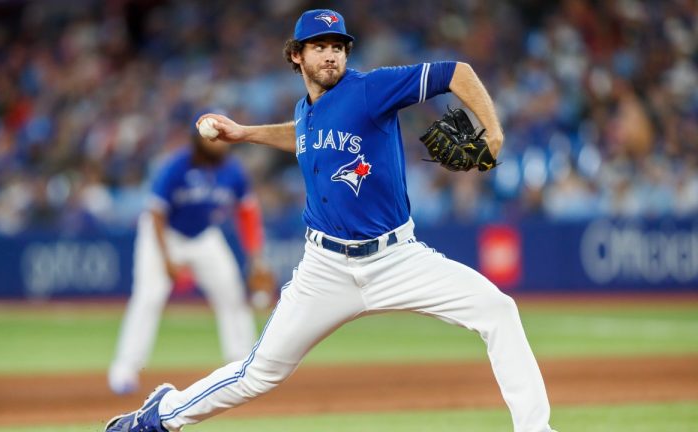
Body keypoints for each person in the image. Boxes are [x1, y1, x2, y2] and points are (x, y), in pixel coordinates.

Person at [105, 9, 556, 432]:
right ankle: (161, 415)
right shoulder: (306, 111)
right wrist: (245, 133)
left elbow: (456, 72)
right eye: (319, 46)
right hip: (325, 270)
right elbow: (302, 136)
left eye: (337, 45)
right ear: (296, 55)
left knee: (498, 310)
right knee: (258, 373)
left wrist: (493, 132)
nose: (330, 54)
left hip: (398, 258)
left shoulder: (369, 90)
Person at [107, 108, 270, 395]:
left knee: (231, 292)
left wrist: (256, 260)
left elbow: (247, 214)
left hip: (204, 236)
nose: (218, 142)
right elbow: (156, 214)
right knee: (148, 297)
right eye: (213, 136)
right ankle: (125, 368)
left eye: (222, 137)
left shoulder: (233, 171)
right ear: (197, 139)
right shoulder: (175, 167)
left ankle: (243, 363)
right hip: (164, 234)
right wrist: (167, 259)